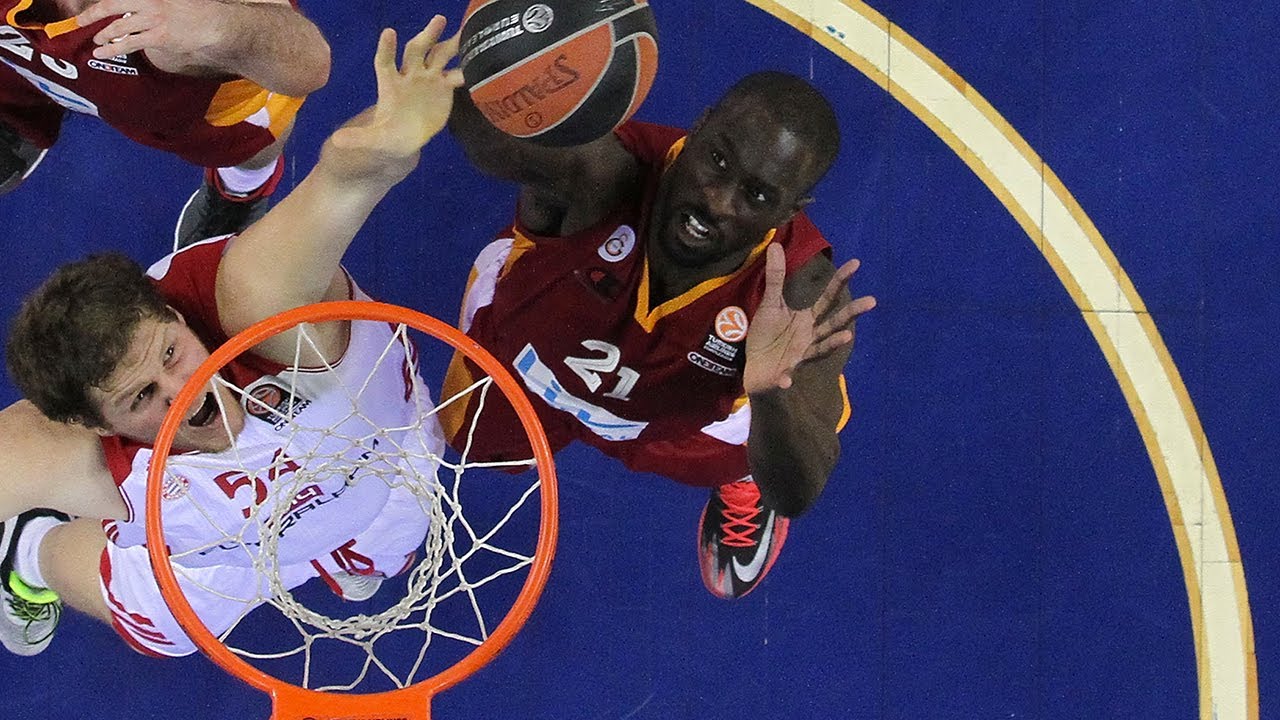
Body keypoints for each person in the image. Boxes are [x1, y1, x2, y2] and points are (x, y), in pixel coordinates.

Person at [0, 15, 464, 657]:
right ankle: (27, 550)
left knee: (382, 548)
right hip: (221, 550)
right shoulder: (56, 449)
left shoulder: (262, 303)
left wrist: (384, 146)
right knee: (169, 631)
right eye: (141, 398)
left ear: (177, 316)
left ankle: (332, 545)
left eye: (171, 353)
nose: (185, 390)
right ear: (97, 424)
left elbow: (342, 178)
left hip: (371, 457)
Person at [442, 71, 877, 600]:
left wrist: (768, 396)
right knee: (462, 440)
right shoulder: (606, 173)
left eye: (757, 194)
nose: (718, 202)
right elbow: (496, 135)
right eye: (717, 160)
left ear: (788, 213)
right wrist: (462, 85)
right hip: (532, 362)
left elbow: (798, 489)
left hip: (677, 415)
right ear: (698, 129)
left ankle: (742, 474)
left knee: (764, 444)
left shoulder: (801, 296)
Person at [0, 0, 330, 247]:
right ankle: (16, 119)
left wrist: (221, 26)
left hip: (175, 99)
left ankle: (242, 189)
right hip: (22, 59)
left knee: (245, 143)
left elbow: (309, 63)